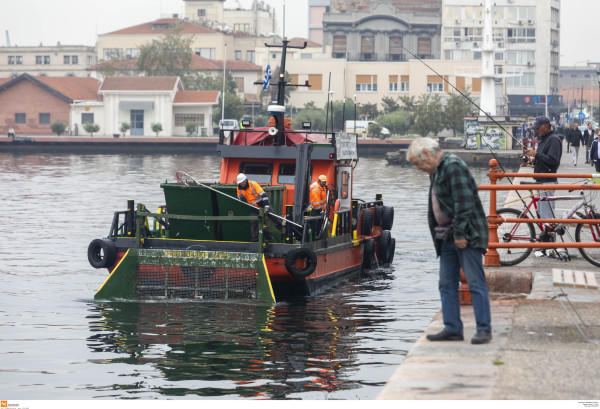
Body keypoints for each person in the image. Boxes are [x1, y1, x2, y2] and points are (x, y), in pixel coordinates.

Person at [407, 137, 492, 345]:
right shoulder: (436, 170)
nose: (418, 168)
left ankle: (483, 329)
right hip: (445, 235)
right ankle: (452, 327)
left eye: (418, 163)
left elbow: (465, 203)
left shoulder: (453, 166)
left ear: (427, 154)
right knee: (446, 283)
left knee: (475, 282)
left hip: (466, 235)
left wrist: (461, 234)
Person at [525, 116, 562, 225]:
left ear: (545, 127)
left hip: (548, 181)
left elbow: (553, 161)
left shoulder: (553, 140)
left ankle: (549, 240)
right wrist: (530, 160)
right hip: (541, 181)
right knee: (542, 216)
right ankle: (545, 239)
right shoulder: (543, 141)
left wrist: (536, 154)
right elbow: (542, 160)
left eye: (537, 128)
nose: (536, 130)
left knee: (547, 217)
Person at [236, 173, 270, 241]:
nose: (241, 184)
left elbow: (264, 195)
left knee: (273, 216)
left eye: (242, 182)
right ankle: (255, 240)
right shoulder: (239, 189)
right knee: (253, 222)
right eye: (240, 182)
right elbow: (238, 196)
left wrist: (266, 206)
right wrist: (240, 198)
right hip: (253, 208)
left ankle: (282, 226)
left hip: (262, 204)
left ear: (245, 180)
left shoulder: (253, 184)